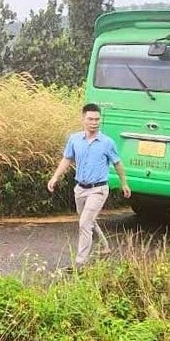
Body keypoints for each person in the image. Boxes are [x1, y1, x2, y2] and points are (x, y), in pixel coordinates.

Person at [46, 103, 131, 269]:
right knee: (87, 220)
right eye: (91, 119)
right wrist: (55, 177)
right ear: (83, 119)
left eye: (97, 119)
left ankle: (80, 262)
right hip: (80, 188)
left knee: (85, 223)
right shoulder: (74, 139)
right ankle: (105, 246)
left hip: (98, 189)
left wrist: (124, 183)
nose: (94, 122)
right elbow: (67, 159)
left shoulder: (107, 142)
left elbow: (118, 163)